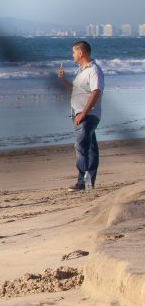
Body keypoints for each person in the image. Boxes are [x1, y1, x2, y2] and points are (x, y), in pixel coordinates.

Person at [57, 40, 105, 192]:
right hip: (80, 114)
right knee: (90, 149)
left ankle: (82, 183)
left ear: (81, 52)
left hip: (88, 115)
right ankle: (88, 184)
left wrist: (84, 112)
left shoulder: (94, 70)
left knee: (81, 148)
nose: (72, 55)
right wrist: (63, 80)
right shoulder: (81, 71)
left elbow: (96, 91)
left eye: (73, 52)